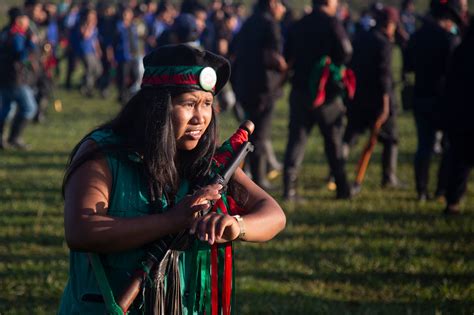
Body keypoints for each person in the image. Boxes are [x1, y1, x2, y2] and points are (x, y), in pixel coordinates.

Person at [58, 44, 286, 314]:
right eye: (189, 104)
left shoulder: (208, 162)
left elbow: (274, 215)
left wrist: (236, 226)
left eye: (207, 104)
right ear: (157, 107)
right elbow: (81, 230)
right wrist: (170, 221)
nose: (200, 118)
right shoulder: (103, 154)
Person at [282, 0, 353, 200]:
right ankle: (342, 189)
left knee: (296, 140)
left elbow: (287, 55)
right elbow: (346, 51)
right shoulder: (332, 23)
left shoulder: (299, 24)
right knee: (334, 142)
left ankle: (289, 189)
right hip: (326, 95)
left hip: (299, 91)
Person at [404, 0, 463, 201]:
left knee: (424, 146)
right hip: (444, 99)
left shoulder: (417, 36)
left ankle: (421, 191)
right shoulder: (450, 40)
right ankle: (441, 189)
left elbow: (408, 66)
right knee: (448, 146)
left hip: (421, 96)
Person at [343, 6, 402, 191]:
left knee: (350, 136)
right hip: (378, 100)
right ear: (390, 24)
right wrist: (385, 104)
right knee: (391, 138)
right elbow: (384, 75)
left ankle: (336, 172)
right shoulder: (383, 43)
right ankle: (389, 177)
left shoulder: (362, 37)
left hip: (358, 97)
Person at [232, 0, 287, 190]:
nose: (283, 9)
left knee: (249, 134)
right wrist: (284, 67)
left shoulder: (248, 22)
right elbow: (272, 57)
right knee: (259, 137)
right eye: (282, 4)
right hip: (263, 89)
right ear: (272, 3)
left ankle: (243, 177)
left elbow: (233, 50)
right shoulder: (270, 24)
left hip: (244, 86)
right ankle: (258, 180)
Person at [442, 17, 474, 214]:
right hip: (464, 113)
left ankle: (452, 200)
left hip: (460, 114)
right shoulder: (461, 51)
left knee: (459, 160)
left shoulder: (460, 50)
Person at [0, 8, 38, 150]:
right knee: (29, 108)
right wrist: (31, 43)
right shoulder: (17, 35)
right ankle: (14, 138)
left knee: (6, 109)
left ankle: (1, 139)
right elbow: (20, 56)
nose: (28, 21)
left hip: (4, 76)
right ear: (18, 20)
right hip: (15, 78)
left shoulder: (5, 31)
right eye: (25, 18)